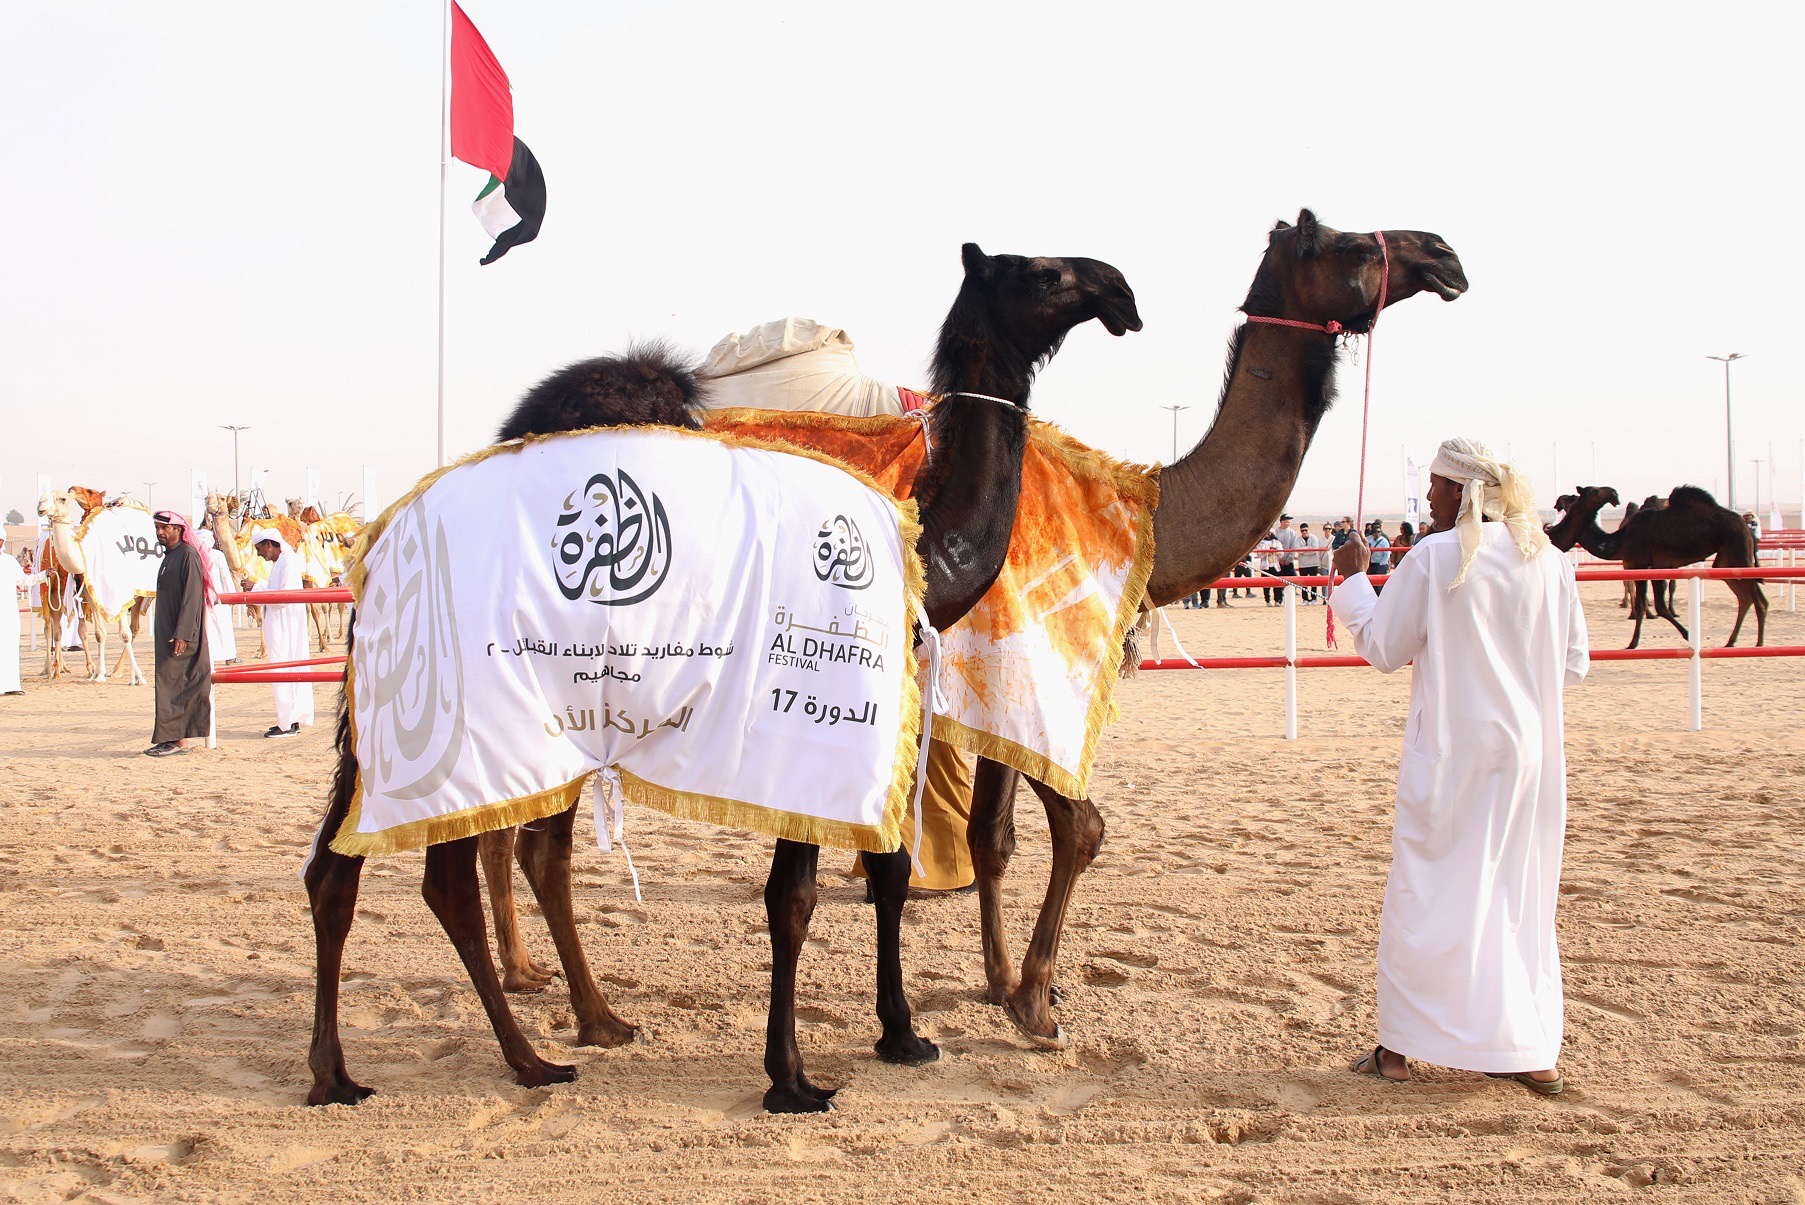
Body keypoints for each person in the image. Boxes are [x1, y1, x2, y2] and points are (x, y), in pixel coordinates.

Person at [1329, 438, 1588, 1095]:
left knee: (1428, 894)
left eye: (1440, 487)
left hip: (1451, 756)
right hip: (1527, 757)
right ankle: (1530, 1050)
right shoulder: (1548, 560)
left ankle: (1397, 1050)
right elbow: (1570, 663)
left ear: (1466, 492)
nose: (1432, 498)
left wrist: (1353, 580)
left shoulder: (1436, 554)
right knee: (1515, 893)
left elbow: (1385, 646)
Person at [145, 510, 214, 756]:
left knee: (175, 683)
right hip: (169, 632)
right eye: (157, 528)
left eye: (165, 528)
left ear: (179, 530)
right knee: (170, 683)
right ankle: (175, 738)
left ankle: (174, 739)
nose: (160, 533)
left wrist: (184, 633)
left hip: (181, 635)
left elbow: (192, 597)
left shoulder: (187, 555)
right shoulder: (171, 556)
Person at [245, 525, 314, 737]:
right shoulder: (282, 563)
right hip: (281, 626)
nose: (258, 553)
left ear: (269, 544)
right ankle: (288, 721)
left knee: (286, 670)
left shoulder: (288, 563)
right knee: (286, 672)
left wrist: (256, 587)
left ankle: (289, 724)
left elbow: (283, 598)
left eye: (259, 549)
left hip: (286, 627)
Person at [195, 530, 239, 666]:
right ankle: (229, 656)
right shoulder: (217, 555)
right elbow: (225, 576)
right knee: (222, 626)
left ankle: (212, 656)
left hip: (205, 597)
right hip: (219, 597)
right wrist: (231, 595)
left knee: (209, 628)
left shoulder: (195, 555)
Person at [0, 545, 26, 695]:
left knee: (9, 648)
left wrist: (43, 575)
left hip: (8, 613)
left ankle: (10, 685)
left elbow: (23, 580)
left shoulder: (9, 561)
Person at [1296, 522, 1321, 603]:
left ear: (1308, 530)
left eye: (1306, 530)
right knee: (1303, 583)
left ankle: (1314, 598)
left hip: (1313, 563)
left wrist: (1304, 550)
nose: (1304, 532)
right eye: (1302, 531)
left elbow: (1314, 549)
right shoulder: (1298, 540)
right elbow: (1298, 551)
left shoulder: (1314, 538)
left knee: (1314, 582)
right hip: (1303, 565)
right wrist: (1308, 549)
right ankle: (1305, 599)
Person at [1255, 530, 1281, 605]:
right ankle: (1268, 600)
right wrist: (1267, 552)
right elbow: (1259, 555)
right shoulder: (1260, 543)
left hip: (1275, 566)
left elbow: (1281, 554)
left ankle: (1277, 600)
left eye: (1269, 533)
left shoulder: (1277, 542)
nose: (1267, 534)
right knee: (1266, 585)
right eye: (1266, 533)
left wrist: (1275, 551)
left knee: (1277, 584)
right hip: (1265, 566)